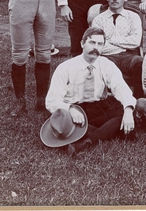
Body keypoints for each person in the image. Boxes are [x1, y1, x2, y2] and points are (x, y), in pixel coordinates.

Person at [45, 27, 136, 157]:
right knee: (121, 127)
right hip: (74, 111)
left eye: (100, 44)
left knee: (129, 117)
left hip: (98, 108)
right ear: (82, 44)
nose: (96, 48)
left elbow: (121, 88)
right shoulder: (65, 68)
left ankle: (85, 140)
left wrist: (128, 110)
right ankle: (102, 133)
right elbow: (51, 101)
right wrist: (70, 109)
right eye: (92, 43)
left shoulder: (106, 64)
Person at [91, 0, 143, 94]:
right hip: (107, 57)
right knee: (102, 65)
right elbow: (97, 46)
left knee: (140, 62)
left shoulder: (133, 17)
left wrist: (110, 41)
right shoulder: (99, 19)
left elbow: (135, 41)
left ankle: (139, 100)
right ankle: (110, 102)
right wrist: (123, 46)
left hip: (128, 56)